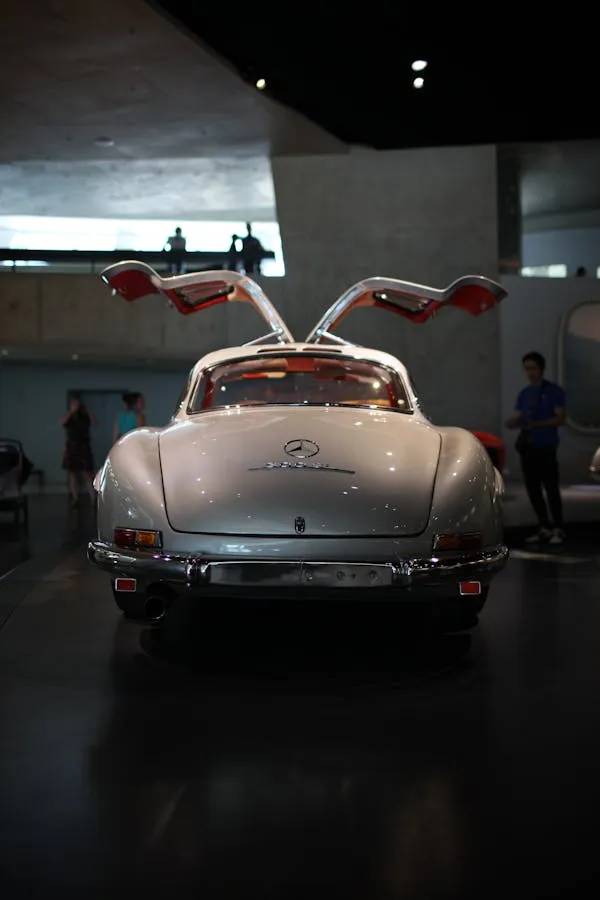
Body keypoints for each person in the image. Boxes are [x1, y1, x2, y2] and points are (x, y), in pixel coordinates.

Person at [505, 351, 566, 544]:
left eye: (533, 368)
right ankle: (543, 526)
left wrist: (536, 425)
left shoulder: (554, 391)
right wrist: (513, 422)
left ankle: (558, 527)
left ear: (541, 368)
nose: (530, 373)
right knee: (533, 488)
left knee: (550, 487)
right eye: (526, 369)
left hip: (546, 445)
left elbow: (560, 418)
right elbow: (517, 414)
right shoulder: (525, 393)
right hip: (528, 447)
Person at [61, 394, 96, 507]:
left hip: (84, 445)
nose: (76, 406)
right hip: (72, 445)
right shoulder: (68, 415)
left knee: (87, 473)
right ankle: (75, 497)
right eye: (73, 404)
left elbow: (94, 423)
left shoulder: (84, 415)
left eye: (77, 403)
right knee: (72, 473)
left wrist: (88, 411)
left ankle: (93, 497)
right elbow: (62, 423)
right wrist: (71, 412)